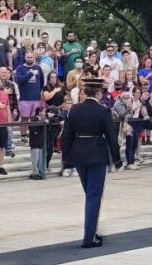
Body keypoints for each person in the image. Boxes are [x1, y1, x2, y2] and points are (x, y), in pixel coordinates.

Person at [62, 78, 122, 248]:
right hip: (97, 156)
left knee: (90, 195)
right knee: (93, 197)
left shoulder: (74, 110)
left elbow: (67, 135)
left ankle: (92, 230)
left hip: (79, 156)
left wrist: (67, 159)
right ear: (98, 93)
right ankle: (89, 238)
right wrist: (117, 160)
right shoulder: (103, 111)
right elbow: (111, 137)